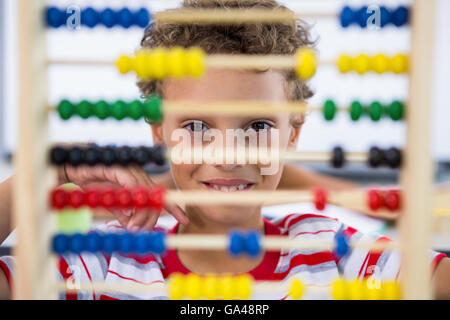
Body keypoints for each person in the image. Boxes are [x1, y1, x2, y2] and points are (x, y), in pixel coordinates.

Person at [0, 0, 449, 300]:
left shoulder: (332, 252)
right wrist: (50, 171)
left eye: (257, 125)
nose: (230, 155)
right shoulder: (98, 263)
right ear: (158, 130)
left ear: (294, 131)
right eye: (196, 126)